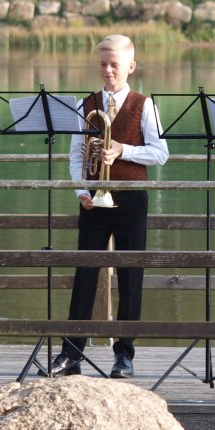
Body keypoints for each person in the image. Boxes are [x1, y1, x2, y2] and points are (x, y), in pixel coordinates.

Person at [48, 34, 168, 379]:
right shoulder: (84, 105)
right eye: (103, 64)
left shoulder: (144, 105)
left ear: (131, 66)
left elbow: (160, 153)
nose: (108, 70)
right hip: (93, 201)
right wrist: (80, 190)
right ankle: (71, 353)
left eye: (115, 64)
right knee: (85, 273)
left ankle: (124, 354)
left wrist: (122, 150)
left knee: (131, 275)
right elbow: (76, 155)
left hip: (131, 197)